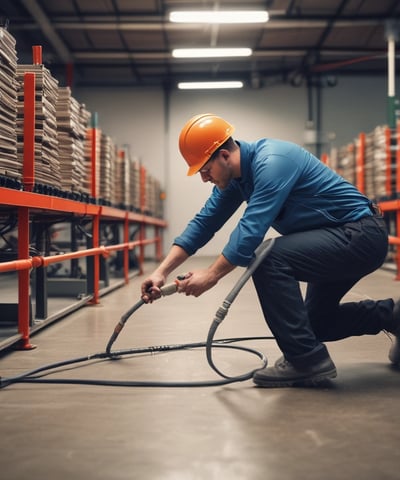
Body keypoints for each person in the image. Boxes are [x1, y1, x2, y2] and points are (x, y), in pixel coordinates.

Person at [141, 113, 400, 388]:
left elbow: (251, 229)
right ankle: (395, 316)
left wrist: (212, 275)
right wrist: (161, 271)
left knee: (268, 257)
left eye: (205, 170)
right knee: (316, 324)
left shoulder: (273, 161)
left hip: (360, 235)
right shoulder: (236, 180)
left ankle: (306, 361)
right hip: (337, 237)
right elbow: (204, 223)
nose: (204, 179)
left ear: (224, 155)